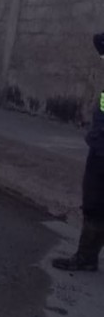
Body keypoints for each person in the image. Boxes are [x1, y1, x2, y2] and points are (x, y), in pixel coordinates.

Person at [51, 33, 104, 271]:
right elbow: (99, 39)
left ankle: (86, 257)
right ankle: (86, 257)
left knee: (95, 202)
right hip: (99, 146)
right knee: (93, 203)